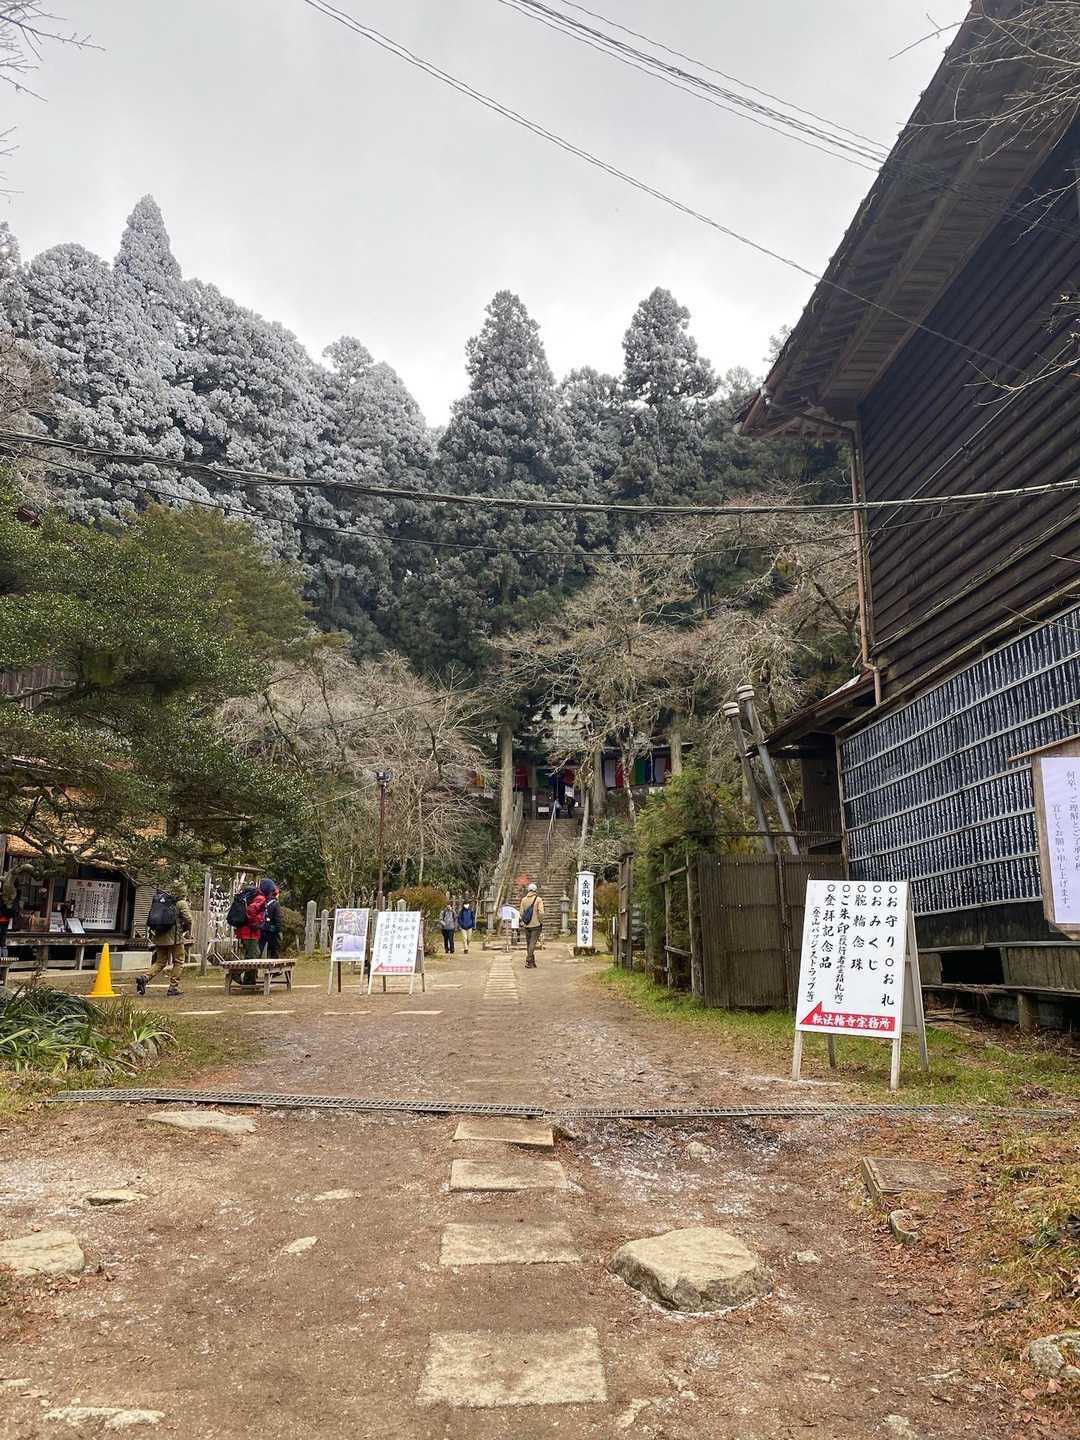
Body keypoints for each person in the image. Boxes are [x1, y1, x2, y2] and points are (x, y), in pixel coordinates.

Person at [137, 883, 193, 998]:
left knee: (160, 962)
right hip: (175, 938)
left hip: (160, 936)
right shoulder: (180, 903)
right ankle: (173, 987)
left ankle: (145, 977)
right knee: (179, 961)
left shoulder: (163, 900)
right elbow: (189, 919)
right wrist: (184, 929)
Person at [235, 880, 272, 984]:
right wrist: (255, 923)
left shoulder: (257, 896)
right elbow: (251, 910)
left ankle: (249, 980)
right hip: (249, 931)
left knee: (254, 954)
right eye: (271, 890)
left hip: (248, 931)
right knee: (252, 956)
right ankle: (236, 972)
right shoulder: (261, 898)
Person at [521, 882, 544, 968]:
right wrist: (540, 921)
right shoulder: (538, 899)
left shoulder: (523, 900)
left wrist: (525, 921)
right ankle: (528, 960)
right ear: (535, 890)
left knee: (529, 944)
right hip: (536, 925)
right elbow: (541, 913)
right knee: (533, 943)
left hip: (527, 925)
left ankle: (532, 962)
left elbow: (521, 913)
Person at [260, 882, 283, 959]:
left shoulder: (262, 902)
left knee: (258, 951)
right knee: (274, 953)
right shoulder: (275, 904)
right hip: (273, 931)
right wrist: (279, 931)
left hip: (261, 929)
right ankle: (274, 967)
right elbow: (278, 919)